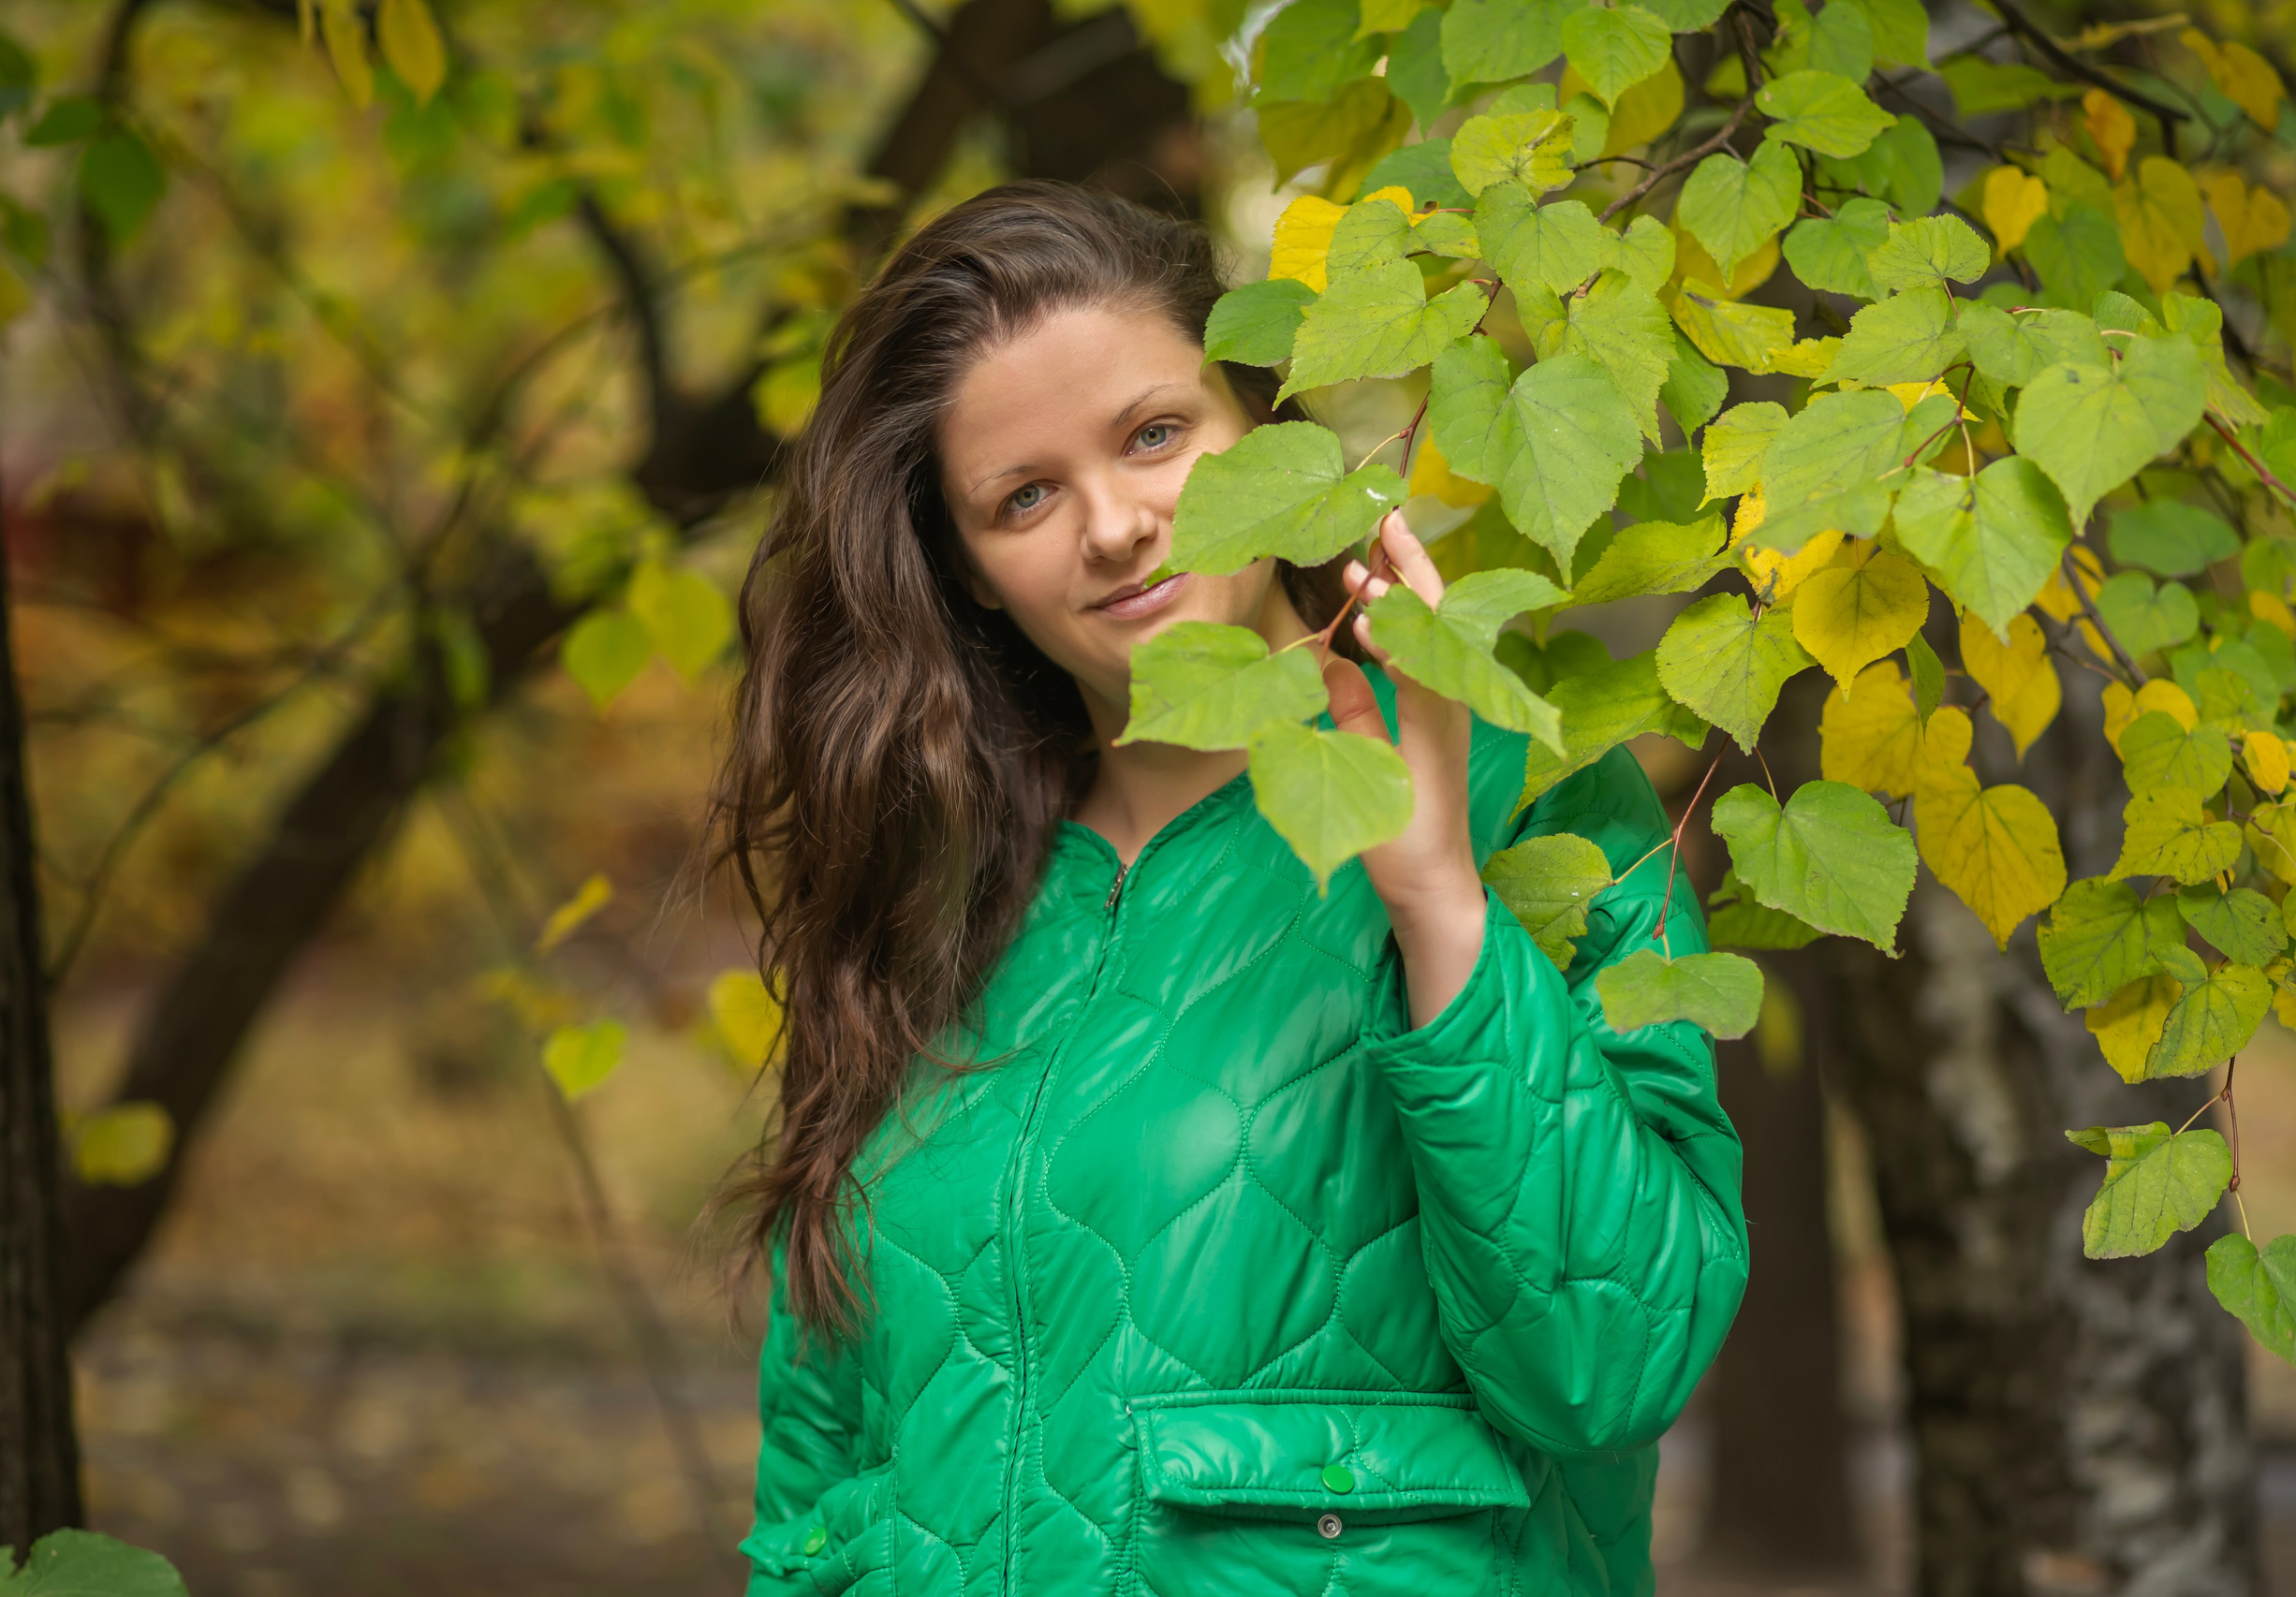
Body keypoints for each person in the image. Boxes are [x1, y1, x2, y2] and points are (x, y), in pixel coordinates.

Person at [708, 179, 1746, 1596]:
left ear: (1266, 422)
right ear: (966, 573)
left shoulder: (1534, 789)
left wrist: (1439, 901)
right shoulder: (930, 903)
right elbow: (817, 1481)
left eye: (1154, 435)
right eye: (1025, 496)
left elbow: (1616, 1362)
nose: (1117, 524)